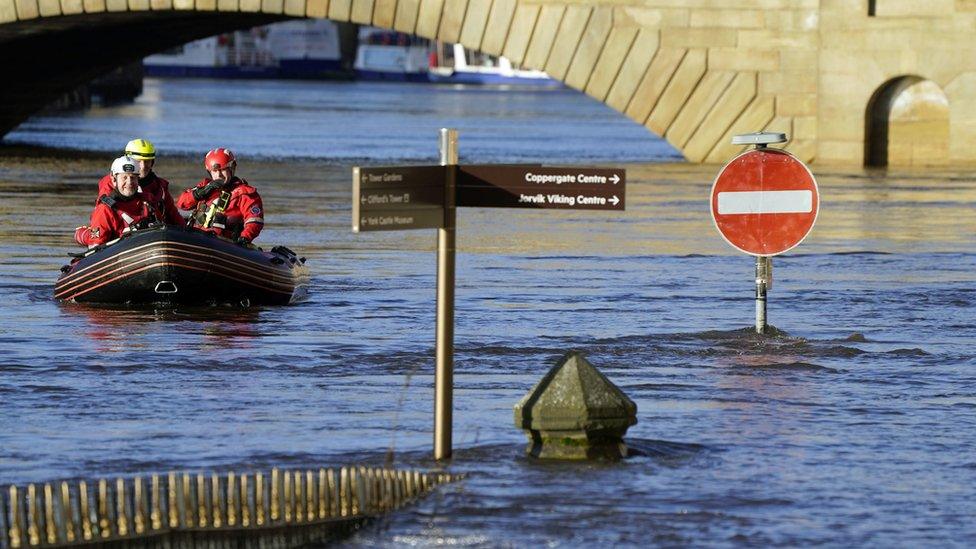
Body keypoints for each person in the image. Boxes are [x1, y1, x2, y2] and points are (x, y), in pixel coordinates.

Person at [176, 148, 264, 245]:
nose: (219, 175)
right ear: (209, 172)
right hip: (198, 238)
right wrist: (201, 192)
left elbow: (254, 221)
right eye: (215, 171)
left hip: (225, 244)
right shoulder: (204, 187)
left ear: (232, 168)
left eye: (223, 170)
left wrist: (244, 238)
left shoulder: (245, 193)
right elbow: (182, 204)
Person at [75, 156, 161, 247]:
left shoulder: (148, 202)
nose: (129, 182)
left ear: (138, 179)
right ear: (114, 179)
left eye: (133, 177)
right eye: (124, 177)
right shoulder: (104, 209)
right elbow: (95, 247)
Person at [96, 138, 182, 225]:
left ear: (152, 162)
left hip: (156, 231)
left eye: (147, 161)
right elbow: (101, 215)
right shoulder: (110, 183)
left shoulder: (160, 186)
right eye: (138, 161)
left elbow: (173, 214)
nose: (143, 166)